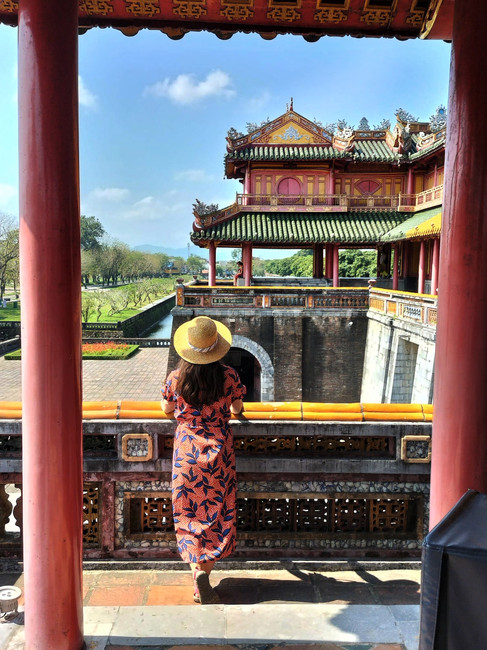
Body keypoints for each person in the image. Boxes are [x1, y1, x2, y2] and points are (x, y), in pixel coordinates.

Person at [161, 316, 246, 604]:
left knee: (188, 514)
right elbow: (237, 409)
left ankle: (197, 574)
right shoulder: (230, 376)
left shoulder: (176, 378)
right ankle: (204, 574)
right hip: (219, 453)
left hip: (187, 453)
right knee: (217, 514)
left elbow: (166, 408)